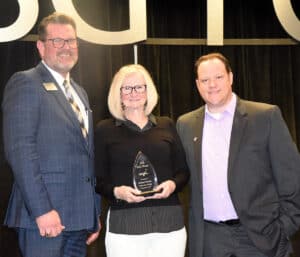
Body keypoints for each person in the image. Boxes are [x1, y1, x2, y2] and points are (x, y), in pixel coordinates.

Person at [176, 52, 300, 257]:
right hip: (210, 239)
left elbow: (293, 180)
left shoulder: (265, 117)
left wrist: (283, 229)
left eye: (218, 77)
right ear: (197, 84)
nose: (212, 85)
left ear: (231, 77)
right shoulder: (186, 124)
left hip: (260, 238)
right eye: (205, 80)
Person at [2, 12, 101, 257]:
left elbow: (86, 157)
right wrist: (41, 210)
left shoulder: (80, 92)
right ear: (40, 46)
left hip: (79, 220)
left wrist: (93, 212)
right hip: (44, 220)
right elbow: (20, 151)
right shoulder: (26, 83)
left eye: (71, 41)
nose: (66, 48)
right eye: (57, 41)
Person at [94, 64, 189, 257]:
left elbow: (183, 172)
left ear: (148, 91)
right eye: (126, 88)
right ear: (118, 94)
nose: (133, 93)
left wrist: (172, 185)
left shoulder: (167, 124)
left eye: (139, 87)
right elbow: (98, 179)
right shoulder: (105, 129)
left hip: (169, 226)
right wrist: (117, 192)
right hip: (125, 227)